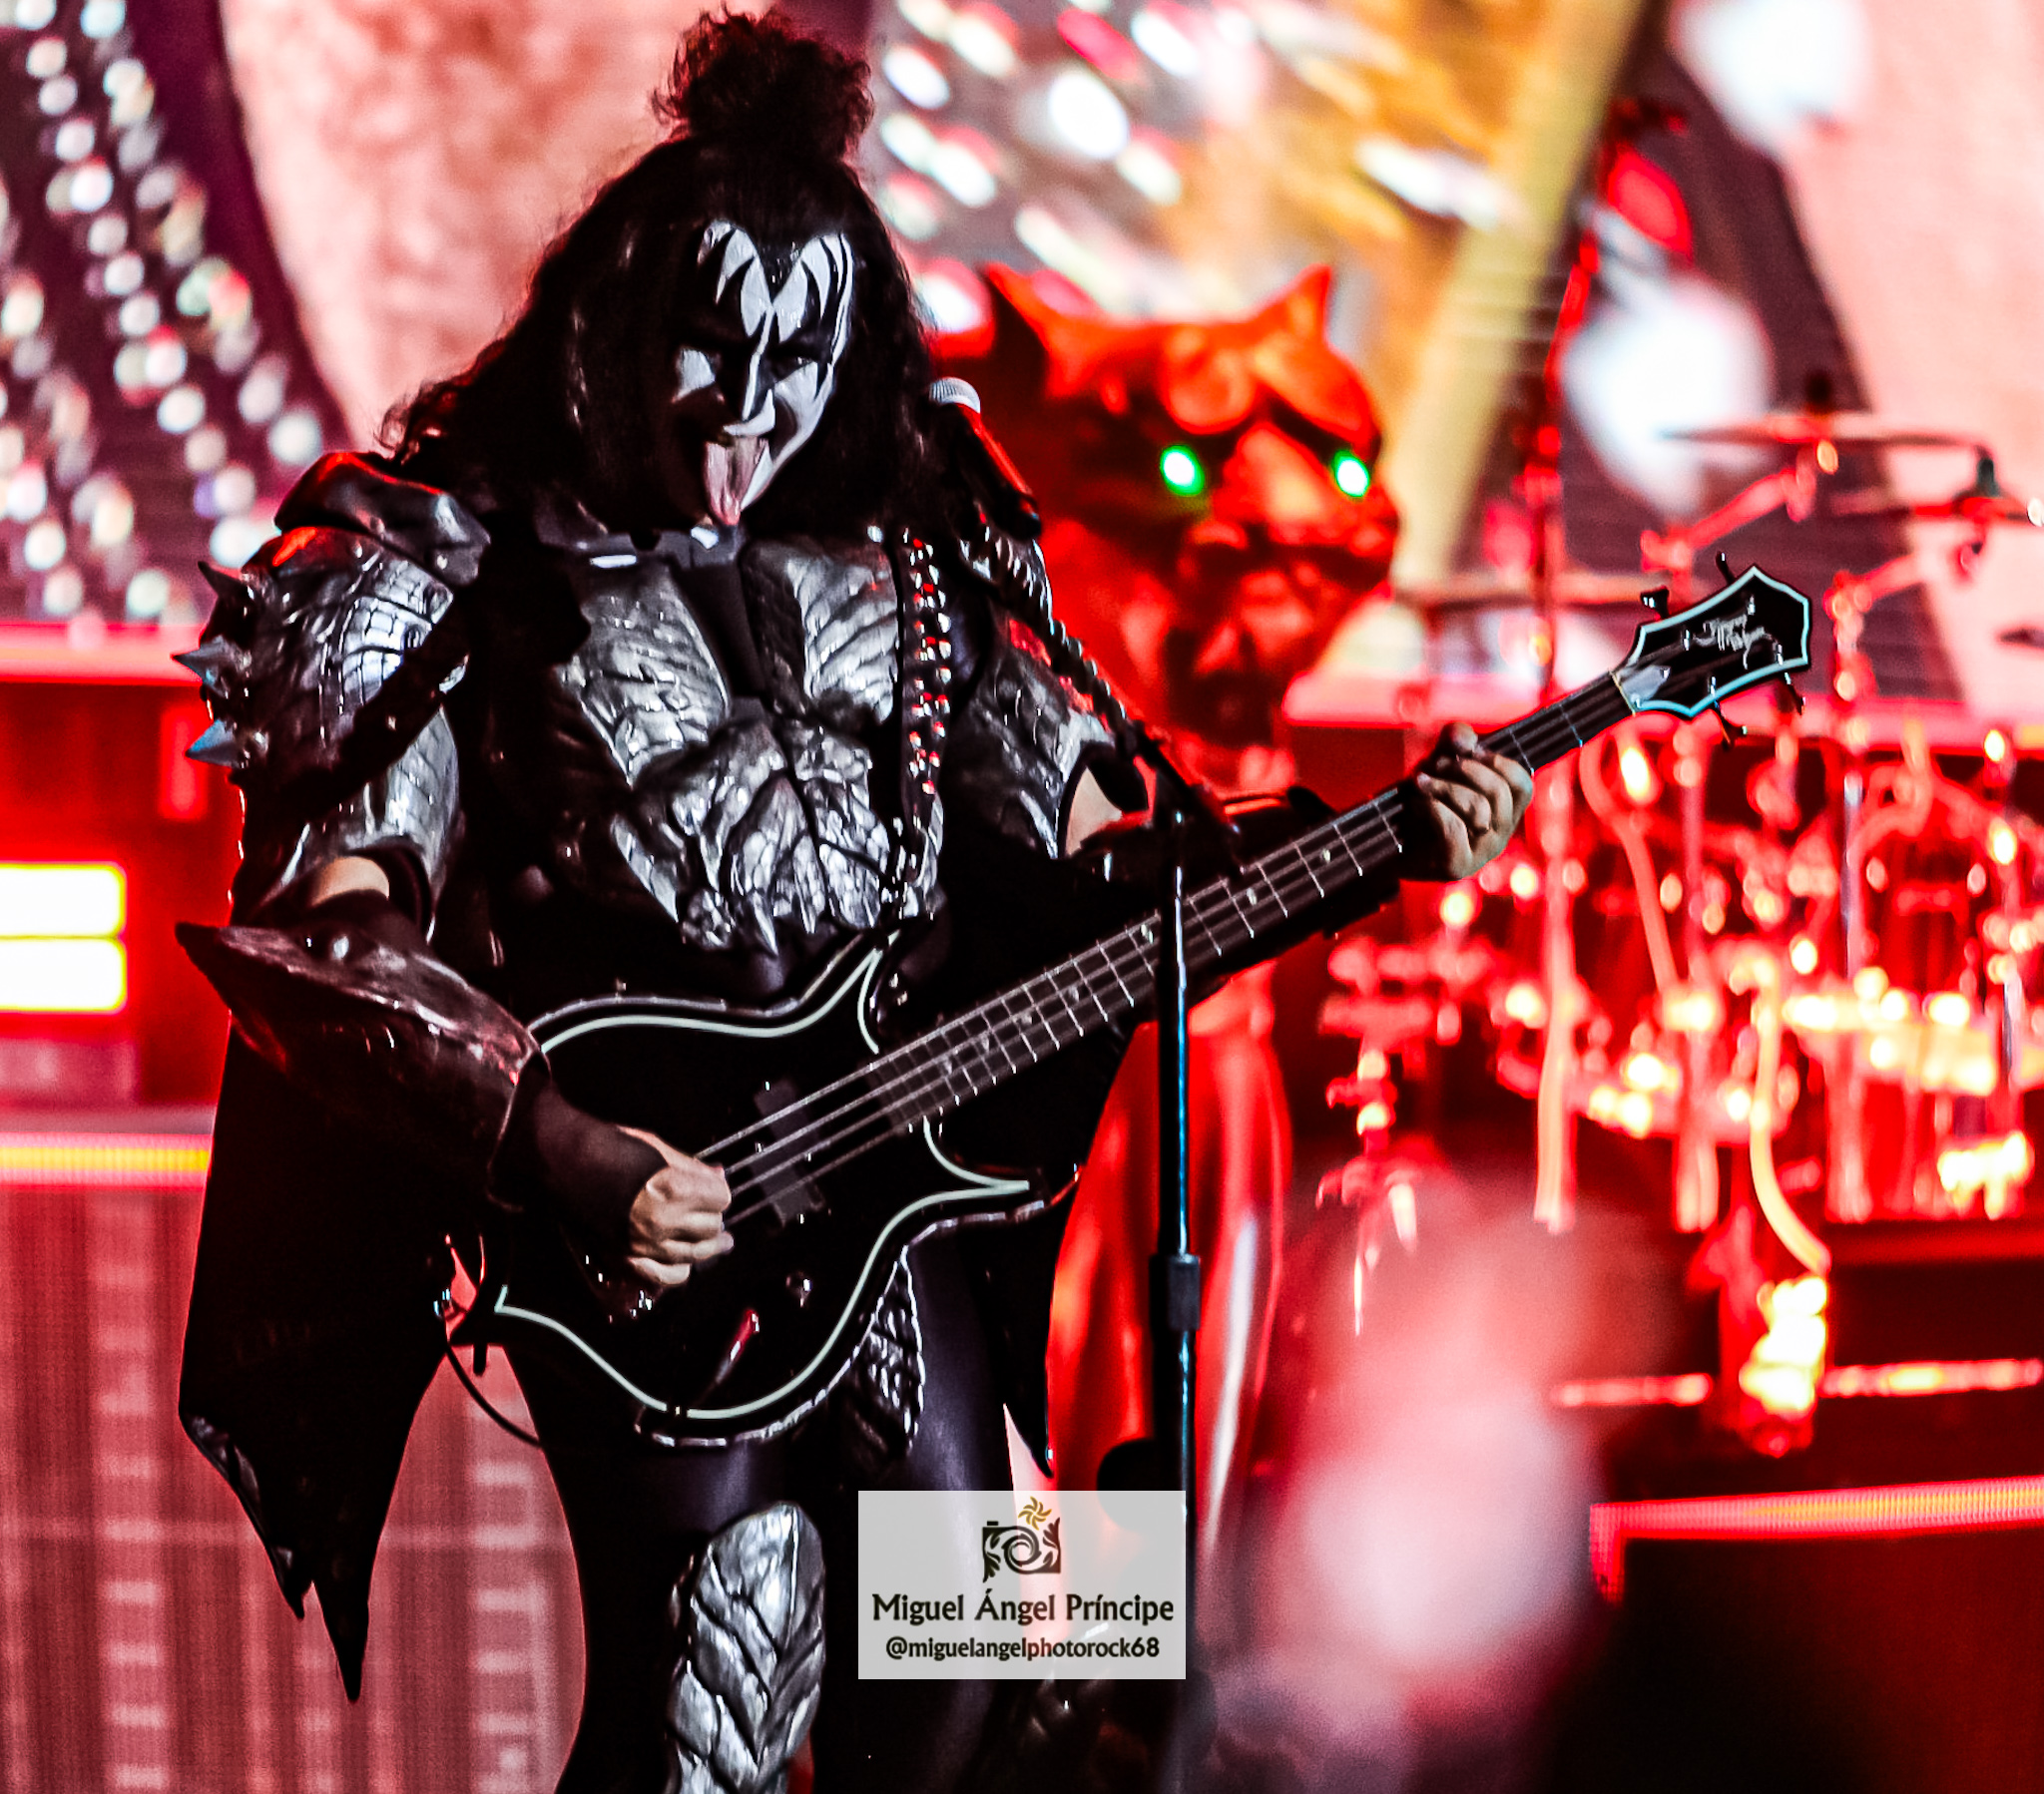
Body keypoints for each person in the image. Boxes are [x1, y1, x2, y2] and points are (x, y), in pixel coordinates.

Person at [173, 16, 1532, 1793]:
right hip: (655, 1237)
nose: (746, 401)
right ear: (609, 322)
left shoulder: (929, 560)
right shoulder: (438, 559)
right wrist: (559, 1145)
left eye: (795, 354)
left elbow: (1086, 879)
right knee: (722, 1686)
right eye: (706, 342)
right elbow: (325, 944)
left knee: (1008, 1672)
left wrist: (1371, 840)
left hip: (906, 1210)